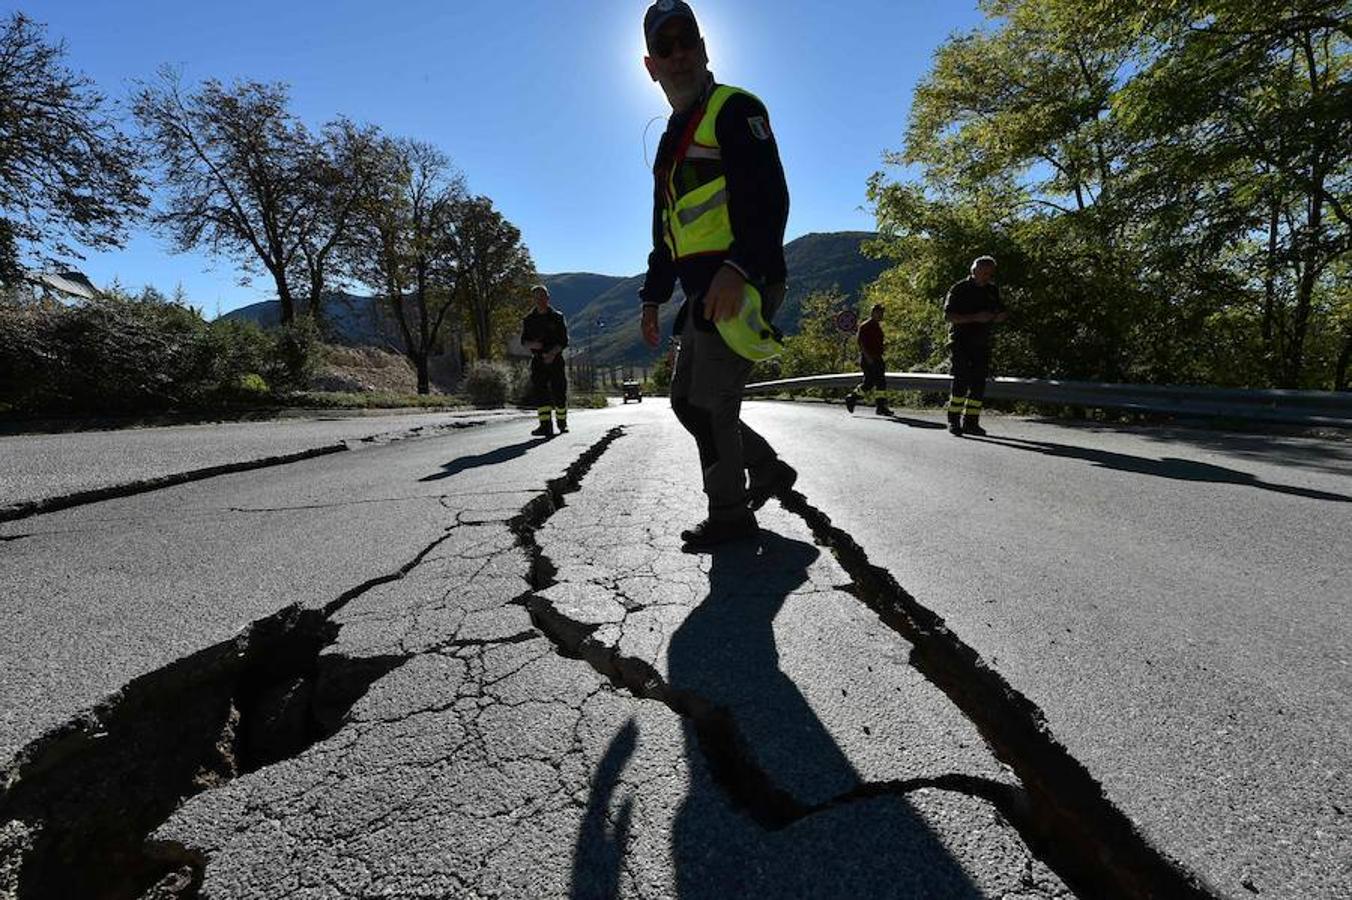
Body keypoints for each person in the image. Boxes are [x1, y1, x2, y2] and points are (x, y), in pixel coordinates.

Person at [637, 0, 797, 550]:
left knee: (710, 403)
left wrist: (738, 268)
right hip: (701, 290)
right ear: (650, 64)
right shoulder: (671, 138)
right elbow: (666, 229)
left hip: (741, 282)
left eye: (688, 41)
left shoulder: (734, 108)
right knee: (685, 401)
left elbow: (770, 197)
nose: (679, 54)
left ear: (705, 47)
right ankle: (766, 468)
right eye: (666, 46)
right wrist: (653, 297)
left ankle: (729, 515)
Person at [943, 256, 1007, 436]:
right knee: (961, 382)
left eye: (990, 274)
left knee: (978, 384)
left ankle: (971, 422)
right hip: (960, 342)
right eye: (984, 273)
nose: (987, 277)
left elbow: (1001, 310)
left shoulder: (992, 290)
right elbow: (948, 316)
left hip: (982, 343)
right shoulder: (959, 289)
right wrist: (975, 317)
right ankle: (954, 421)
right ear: (974, 271)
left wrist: (999, 316)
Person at [521, 284, 569, 437]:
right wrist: (532, 344)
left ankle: (562, 424)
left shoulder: (557, 317)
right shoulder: (529, 320)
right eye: (537, 297)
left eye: (542, 297)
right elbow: (524, 341)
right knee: (541, 393)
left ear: (548, 298)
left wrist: (552, 354)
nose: (540, 300)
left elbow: (564, 341)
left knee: (559, 392)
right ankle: (545, 426)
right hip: (538, 361)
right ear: (533, 300)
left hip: (555, 360)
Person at [845, 303, 891, 416]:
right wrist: (868, 357)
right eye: (879, 312)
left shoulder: (877, 326)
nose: (881, 315)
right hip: (869, 359)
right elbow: (861, 343)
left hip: (877, 358)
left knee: (880, 383)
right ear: (873, 313)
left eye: (882, 313)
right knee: (870, 383)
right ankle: (853, 397)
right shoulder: (865, 326)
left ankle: (880, 406)